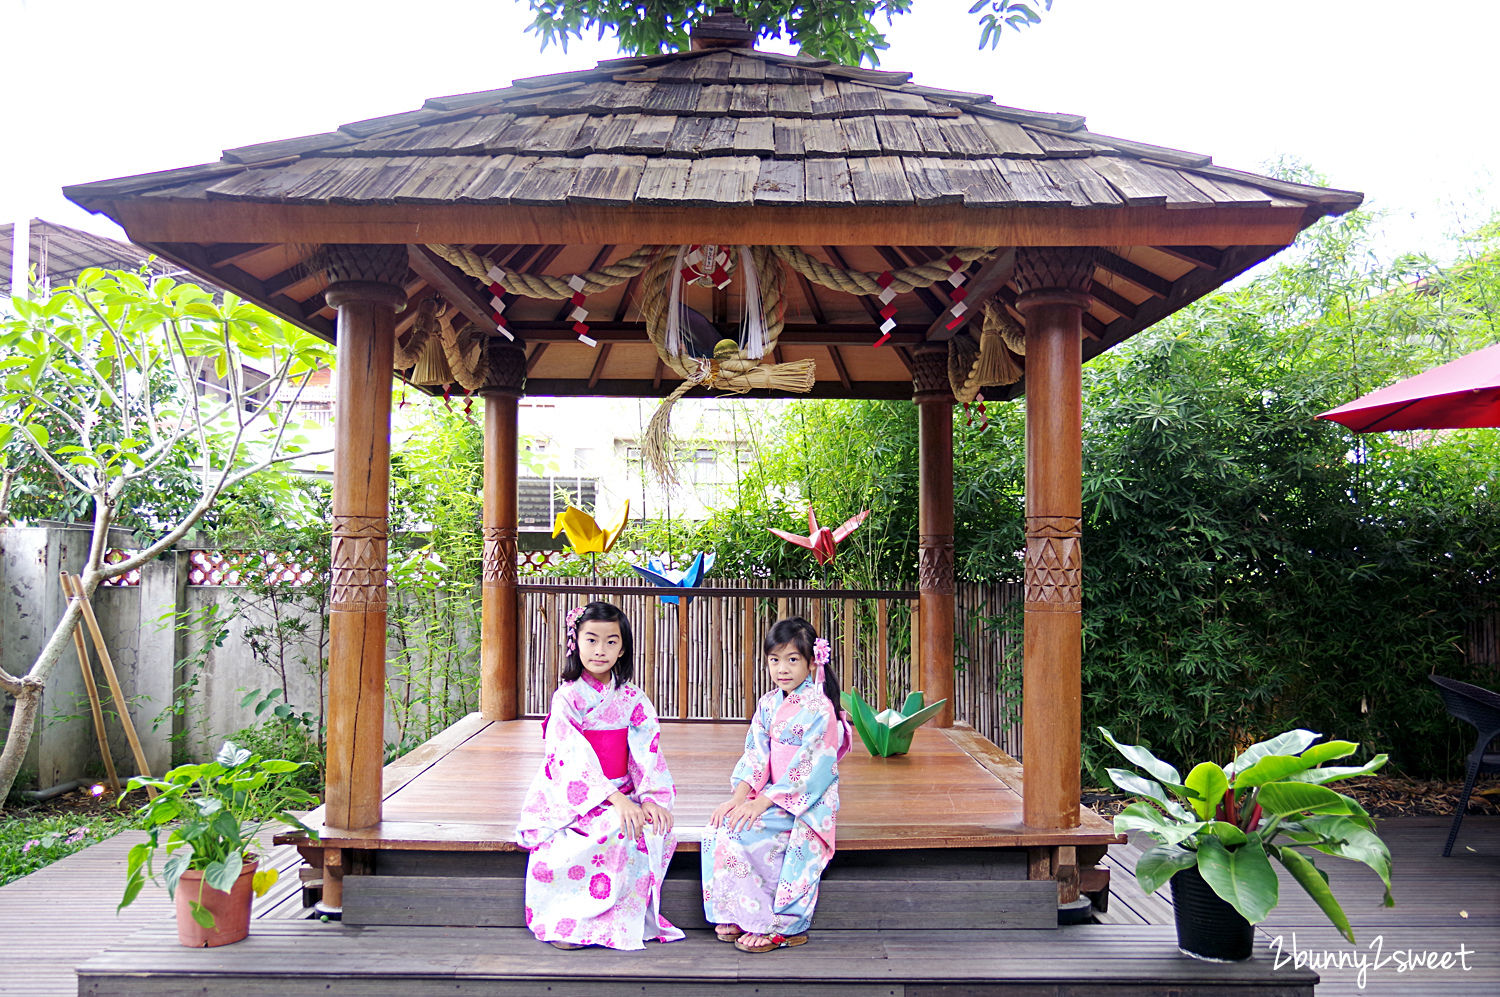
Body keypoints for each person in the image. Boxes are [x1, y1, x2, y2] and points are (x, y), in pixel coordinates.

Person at [515, 601, 682, 950]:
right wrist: (615, 799)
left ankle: (619, 919)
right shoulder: (568, 697)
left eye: (611, 641)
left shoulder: (633, 698)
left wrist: (650, 798)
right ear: (576, 642)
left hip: (624, 789)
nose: (600, 650)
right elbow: (568, 756)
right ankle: (573, 920)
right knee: (609, 829)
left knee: (651, 829)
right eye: (591, 640)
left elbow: (646, 749)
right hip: (577, 795)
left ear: (623, 648)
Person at [700, 616, 853, 953]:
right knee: (718, 827)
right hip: (770, 795)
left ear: (812, 662)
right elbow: (755, 754)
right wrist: (739, 798)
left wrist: (762, 802)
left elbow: (811, 768)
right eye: (774, 659)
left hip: (806, 804)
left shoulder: (820, 709)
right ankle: (738, 912)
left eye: (792, 659)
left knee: (744, 832)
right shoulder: (769, 704)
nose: (782, 668)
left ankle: (783, 924)